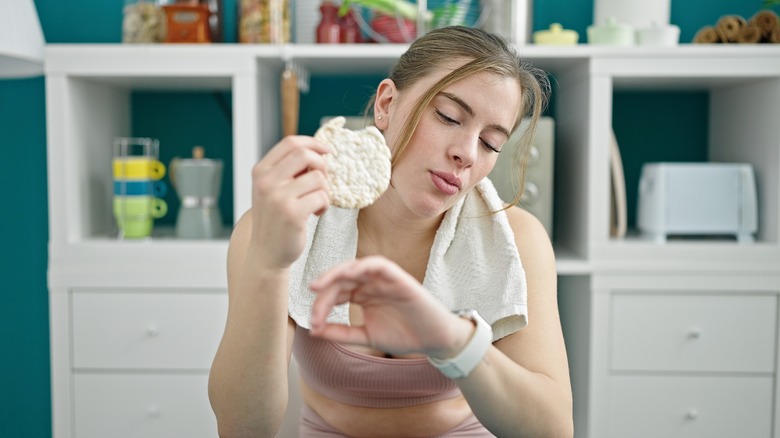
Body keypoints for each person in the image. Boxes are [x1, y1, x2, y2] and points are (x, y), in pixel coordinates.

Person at [208, 25, 573, 437]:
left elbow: (554, 430)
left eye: (490, 143)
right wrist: (269, 264)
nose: (467, 154)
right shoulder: (278, 225)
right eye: (449, 116)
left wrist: (452, 338)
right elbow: (242, 428)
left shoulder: (517, 240)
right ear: (386, 104)